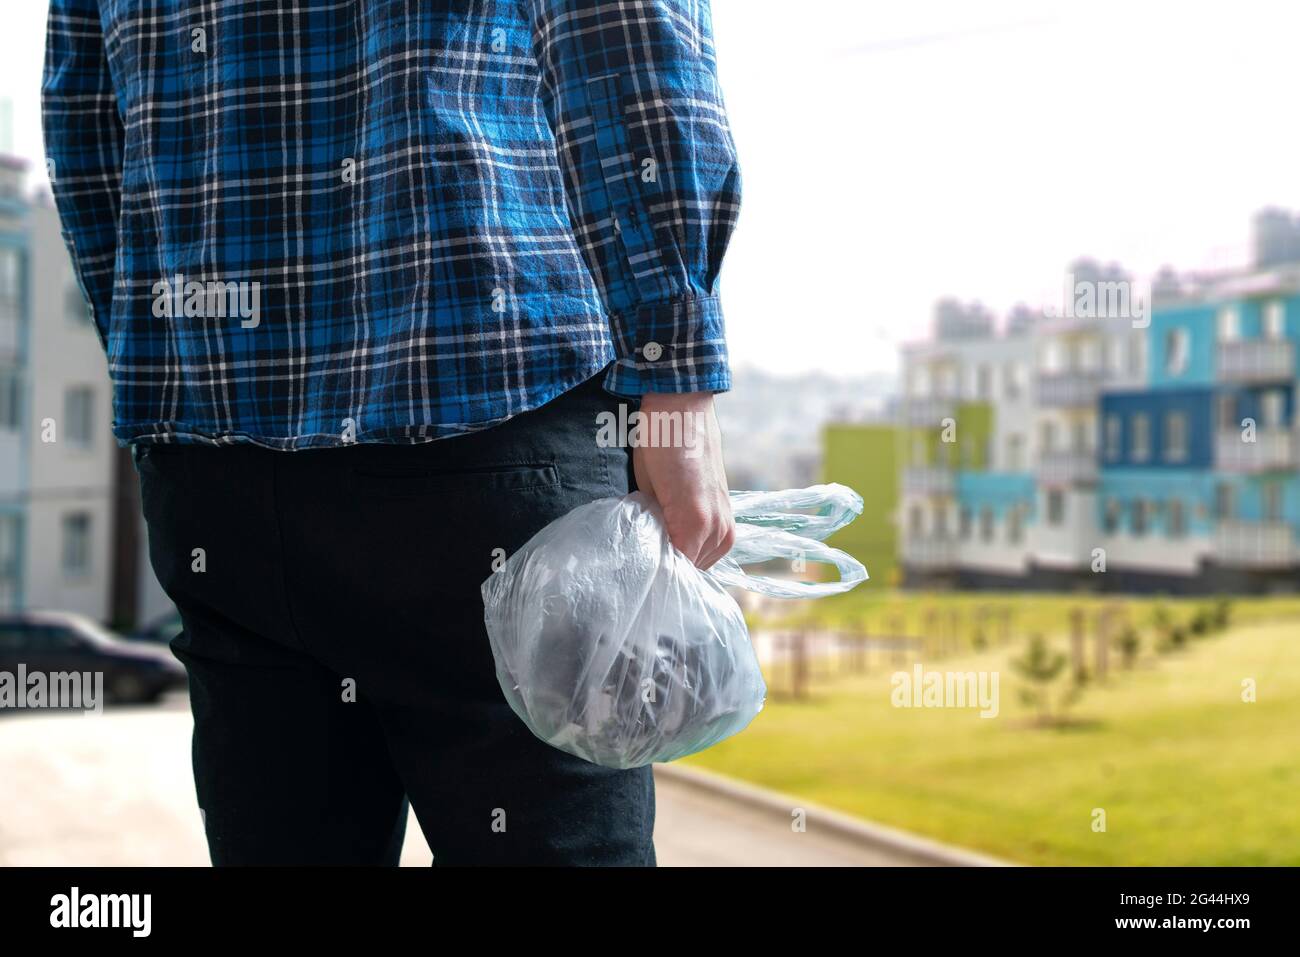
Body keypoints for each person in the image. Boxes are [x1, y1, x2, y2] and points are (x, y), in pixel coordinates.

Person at [42, 0, 741, 866]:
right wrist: (673, 367)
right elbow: (622, 26)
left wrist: (166, 368)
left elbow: (83, 115)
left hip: (217, 474)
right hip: (486, 426)